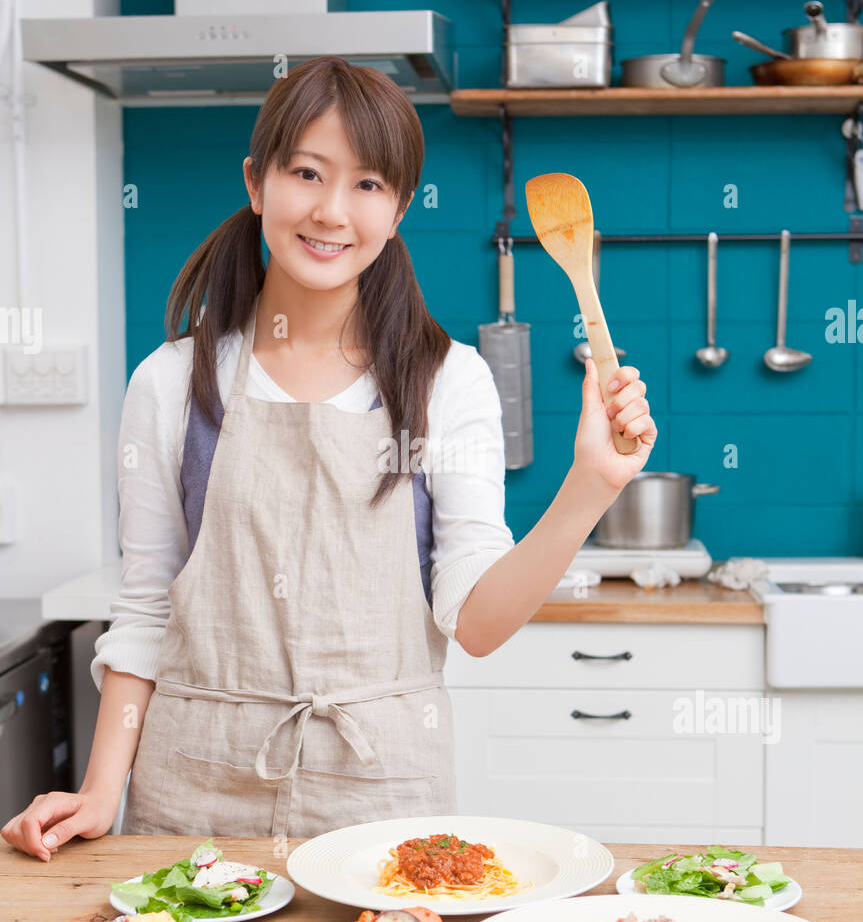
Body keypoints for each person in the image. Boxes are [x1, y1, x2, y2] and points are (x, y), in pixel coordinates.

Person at [2, 56, 655, 860]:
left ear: (399, 208)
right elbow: (147, 612)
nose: (331, 211)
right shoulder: (170, 382)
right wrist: (103, 789)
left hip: (381, 805)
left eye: (368, 185)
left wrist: (589, 486)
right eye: (306, 173)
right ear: (256, 182)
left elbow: (477, 625)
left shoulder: (447, 383)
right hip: (192, 803)